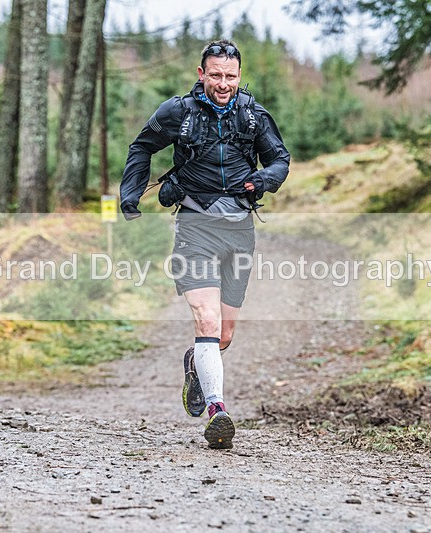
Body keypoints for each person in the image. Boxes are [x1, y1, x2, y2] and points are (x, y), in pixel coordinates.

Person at [119, 39, 290, 449]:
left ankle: (196, 364)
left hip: (239, 229)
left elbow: (280, 159)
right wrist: (130, 193)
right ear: (202, 74)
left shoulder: (253, 114)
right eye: (216, 75)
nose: (223, 83)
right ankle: (218, 411)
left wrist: (265, 180)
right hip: (194, 226)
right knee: (207, 323)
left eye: (230, 76)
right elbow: (141, 146)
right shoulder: (178, 112)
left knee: (224, 334)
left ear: (239, 76)